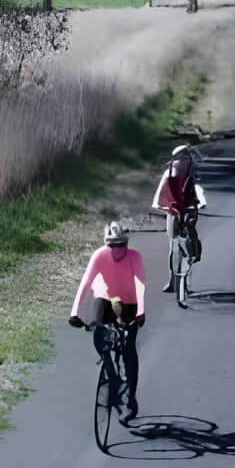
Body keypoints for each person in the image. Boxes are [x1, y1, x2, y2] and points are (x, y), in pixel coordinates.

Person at [70, 219, 147, 421]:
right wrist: (74, 312)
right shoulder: (99, 255)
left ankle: (130, 396)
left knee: (129, 349)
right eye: (112, 245)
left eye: (120, 245)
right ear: (106, 244)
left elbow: (140, 285)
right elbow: (85, 283)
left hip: (129, 302)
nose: (116, 250)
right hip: (105, 297)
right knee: (99, 331)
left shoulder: (135, 257)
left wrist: (141, 311)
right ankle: (109, 370)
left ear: (126, 244)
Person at [152, 144, 208, 299]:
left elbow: (197, 188)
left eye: (184, 158)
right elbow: (160, 192)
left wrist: (201, 202)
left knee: (190, 237)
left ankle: (187, 277)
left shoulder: (191, 171)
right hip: (173, 210)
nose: (181, 162)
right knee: (173, 245)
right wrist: (159, 204)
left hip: (189, 208)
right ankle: (171, 280)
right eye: (178, 159)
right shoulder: (169, 173)